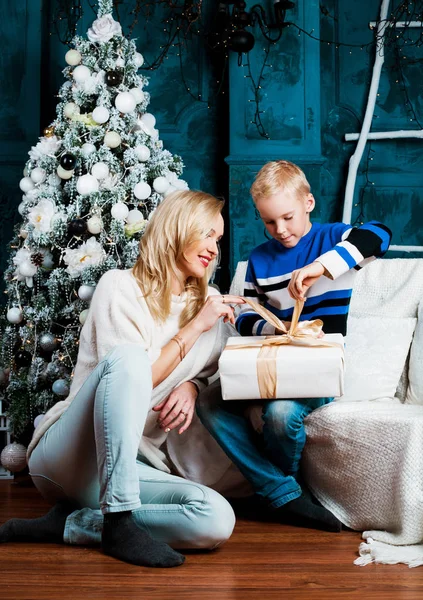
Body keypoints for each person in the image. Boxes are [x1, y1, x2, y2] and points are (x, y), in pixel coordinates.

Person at [0, 190, 247, 568]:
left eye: (219, 238)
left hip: (129, 465)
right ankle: (118, 521)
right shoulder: (120, 287)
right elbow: (135, 378)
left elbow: (226, 368)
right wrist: (195, 328)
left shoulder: (209, 304)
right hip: (72, 454)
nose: (214, 248)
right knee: (129, 357)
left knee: (214, 519)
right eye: (206, 234)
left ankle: (76, 524)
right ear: (177, 228)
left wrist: (192, 386)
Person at [196, 160, 392, 531]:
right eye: (269, 221)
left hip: (316, 368)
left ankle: (275, 494)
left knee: (283, 414)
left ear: (309, 203)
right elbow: (246, 319)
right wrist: (274, 326)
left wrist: (321, 267)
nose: (280, 230)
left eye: (287, 217)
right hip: (272, 364)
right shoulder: (258, 260)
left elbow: (380, 234)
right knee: (208, 400)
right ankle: (286, 495)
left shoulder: (333, 239)